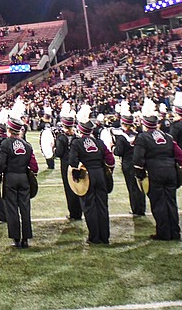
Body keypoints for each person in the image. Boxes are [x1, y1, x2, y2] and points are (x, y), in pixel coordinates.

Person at [133, 98, 182, 241]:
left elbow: (138, 159)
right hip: (171, 171)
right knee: (171, 202)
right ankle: (175, 231)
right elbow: (178, 153)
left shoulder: (143, 137)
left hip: (155, 173)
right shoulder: (167, 136)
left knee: (159, 203)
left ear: (145, 124)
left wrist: (139, 173)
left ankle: (163, 233)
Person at [66, 104, 114, 245]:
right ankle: (105, 237)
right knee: (102, 206)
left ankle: (94, 237)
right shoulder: (99, 142)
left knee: (89, 207)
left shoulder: (77, 143)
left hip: (87, 176)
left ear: (80, 130)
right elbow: (110, 160)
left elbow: (73, 163)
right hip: (100, 175)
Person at [0, 115, 38, 248]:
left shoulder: (5, 144)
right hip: (24, 178)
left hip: (10, 179)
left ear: (9, 130)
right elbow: (34, 167)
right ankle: (26, 238)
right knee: (25, 208)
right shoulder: (27, 145)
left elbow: (0, 164)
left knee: (12, 209)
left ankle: (16, 238)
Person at [112, 103, 146, 217]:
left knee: (132, 187)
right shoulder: (138, 134)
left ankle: (136, 209)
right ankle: (142, 207)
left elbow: (119, 152)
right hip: (139, 163)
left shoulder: (122, 137)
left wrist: (113, 148)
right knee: (140, 186)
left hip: (127, 164)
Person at [54, 102, 82, 221]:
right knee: (78, 186)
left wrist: (54, 148)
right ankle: (79, 211)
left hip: (66, 164)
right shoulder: (76, 137)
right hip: (76, 163)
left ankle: (73, 213)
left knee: (69, 187)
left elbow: (59, 153)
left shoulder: (61, 137)